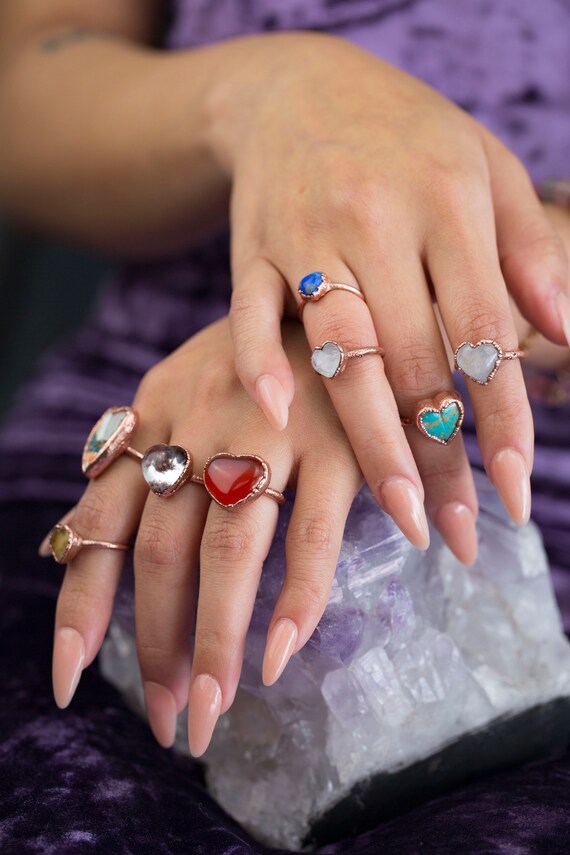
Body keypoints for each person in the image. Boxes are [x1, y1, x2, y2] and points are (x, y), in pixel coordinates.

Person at [0, 2, 569, 851]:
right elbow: (24, 85)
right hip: (159, 417)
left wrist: (346, 333)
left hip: (528, 452)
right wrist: (266, 89)